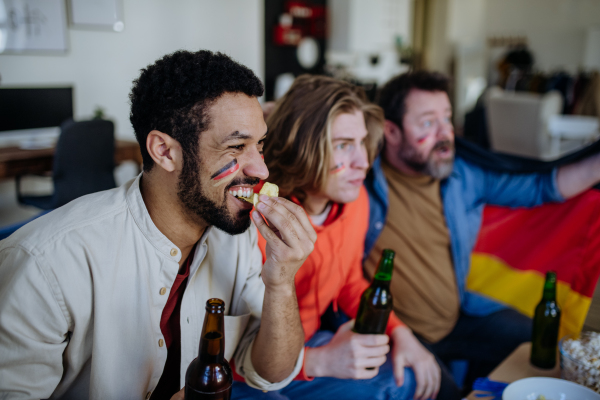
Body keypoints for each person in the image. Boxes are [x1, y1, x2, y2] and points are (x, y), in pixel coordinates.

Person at [0, 50, 316, 399]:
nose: (261, 169)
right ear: (165, 152)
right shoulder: (45, 264)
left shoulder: (236, 236)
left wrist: (282, 282)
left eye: (259, 145)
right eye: (236, 146)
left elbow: (271, 374)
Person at [364, 70, 600, 394]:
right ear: (390, 131)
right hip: (397, 330)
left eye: (447, 119)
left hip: (459, 315)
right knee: (443, 391)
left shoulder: (463, 173)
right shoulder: (358, 180)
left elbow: (540, 186)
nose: (445, 134)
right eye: (427, 123)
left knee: (540, 340)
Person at [232, 75, 447, 400]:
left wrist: (400, 332)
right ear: (302, 146)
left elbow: (348, 282)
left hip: (311, 344)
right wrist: (319, 361)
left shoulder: (355, 201)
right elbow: (221, 349)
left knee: (412, 379)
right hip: (249, 369)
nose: (364, 163)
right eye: (345, 145)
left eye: (362, 143)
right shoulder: (253, 219)